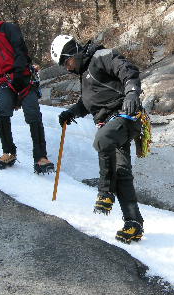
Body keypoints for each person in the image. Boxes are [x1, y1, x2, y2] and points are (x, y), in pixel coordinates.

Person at [51, 34, 145, 244]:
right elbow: (89, 102)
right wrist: (72, 112)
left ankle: (105, 194)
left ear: (73, 52)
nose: (67, 67)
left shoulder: (101, 56)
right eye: (63, 65)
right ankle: (134, 224)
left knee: (102, 140)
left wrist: (132, 93)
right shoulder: (84, 73)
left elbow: (127, 70)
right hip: (110, 123)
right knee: (121, 173)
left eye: (66, 62)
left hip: (126, 115)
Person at [0, 12, 54, 174]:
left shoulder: (7, 28)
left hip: (23, 78)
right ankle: (8, 152)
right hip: (7, 81)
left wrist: (19, 74)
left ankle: (41, 157)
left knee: (33, 114)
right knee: (1, 112)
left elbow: (20, 50)